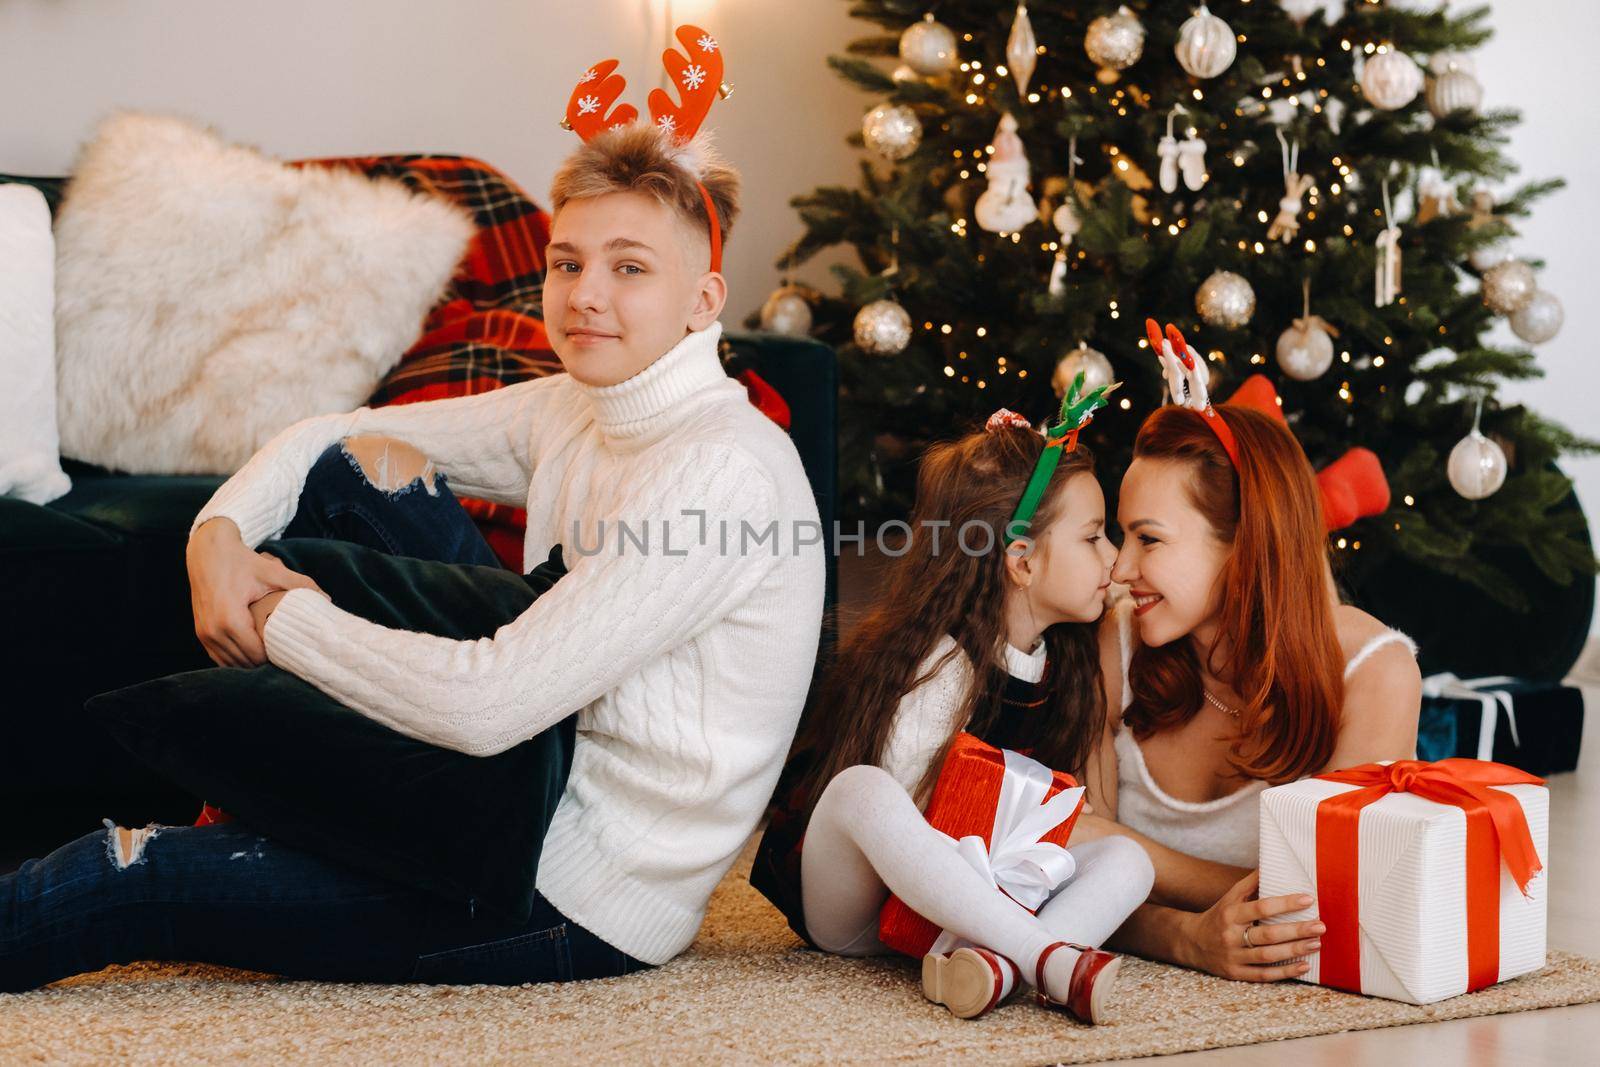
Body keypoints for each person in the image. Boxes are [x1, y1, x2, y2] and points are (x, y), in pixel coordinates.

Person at [0, 118, 825, 991]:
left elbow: (492, 702)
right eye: (567, 261)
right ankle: (298, 788)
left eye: (629, 267)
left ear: (703, 300)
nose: (585, 294)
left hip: (571, 888)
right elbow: (338, 436)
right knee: (357, 473)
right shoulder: (580, 406)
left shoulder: (720, 473)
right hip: (515, 779)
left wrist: (280, 619)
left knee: (129, 874)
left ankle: (282, 805)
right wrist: (219, 538)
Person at [751, 395, 1155, 1026]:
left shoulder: (1065, 666)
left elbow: (1056, 822)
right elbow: (910, 828)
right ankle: (1042, 957)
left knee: (1130, 860)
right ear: (1021, 561)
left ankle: (992, 972)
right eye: (1094, 535)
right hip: (862, 907)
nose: (1114, 558)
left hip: (975, 913)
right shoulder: (940, 664)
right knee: (864, 792)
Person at [1072, 323, 1421, 984]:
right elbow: (1070, 865)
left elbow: (1332, 907)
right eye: (1122, 535)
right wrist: (1185, 936)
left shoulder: (1375, 671)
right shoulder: (1113, 640)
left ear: (1245, 545)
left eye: (1148, 539)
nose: (1118, 568)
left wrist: (1130, 855)